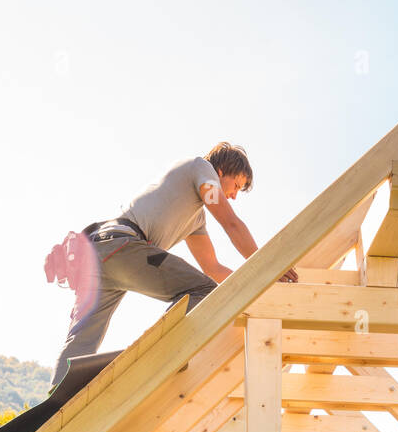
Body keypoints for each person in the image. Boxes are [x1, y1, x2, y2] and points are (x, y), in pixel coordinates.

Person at [47, 142, 296, 390]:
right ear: (221, 172)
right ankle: (154, 358)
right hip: (122, 247)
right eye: (236, 186)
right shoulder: (202, 169)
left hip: (99, 254)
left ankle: (53, 406)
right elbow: (230, 223)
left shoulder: (195, 219)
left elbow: (213, 268)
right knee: (203, 291)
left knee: (81, 340)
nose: (233, 195)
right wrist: (269, 265)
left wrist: (256, 285)